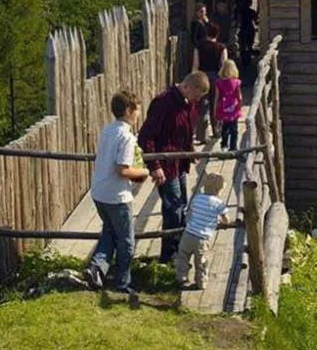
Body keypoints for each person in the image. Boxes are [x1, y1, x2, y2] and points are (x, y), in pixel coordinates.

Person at [138, 71, 210, 264]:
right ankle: (169, 256)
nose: (197, 100)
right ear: (188, 87)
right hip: (165, 163)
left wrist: (190, 150)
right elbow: (146, 136)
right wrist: (155, 165)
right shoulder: (164, 102)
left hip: (180, 162)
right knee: (173, 208)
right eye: (196, 95)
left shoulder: (188, 103)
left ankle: (179, 249)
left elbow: (186, 130)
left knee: (181, 206)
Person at [84, 91, 150, 294]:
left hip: (99, 192)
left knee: (110, 233)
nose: (138, 114)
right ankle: (122, 282)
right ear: (128, 111)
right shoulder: (126, 137)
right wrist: (144, 172)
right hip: (117, 196)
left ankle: (97, 268)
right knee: (126, 241)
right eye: (137, 110)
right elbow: (123, 169)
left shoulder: (108, 130)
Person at [175, 173, 229, 290]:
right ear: (219, 190)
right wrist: (222, 221)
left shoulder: (197, 198)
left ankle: (182, 278)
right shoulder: (219, 204)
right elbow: (226, 219)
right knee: (201, 262)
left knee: (183, 258)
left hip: (188, 234)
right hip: (202, 238)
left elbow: (192, 211)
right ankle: (201, 282)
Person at [192, 23, 227, 143]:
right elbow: (223, 65)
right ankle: (217, 130)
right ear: (217, 34)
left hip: (203, 77)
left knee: (203, 106)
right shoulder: (221, 47)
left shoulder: (198, 47)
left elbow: (195, 65)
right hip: (216, 78)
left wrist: (194, 79)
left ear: (206, 33)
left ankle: (202, 135)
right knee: (217, 104)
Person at [215, 59, 243, 151]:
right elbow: (239, 97)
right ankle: (233, 146)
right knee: (234, 128)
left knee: (225, 127)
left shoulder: (219, 83)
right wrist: (240, 106)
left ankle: (224, 145)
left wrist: (215, 109)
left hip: (223, 107)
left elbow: (217, 97)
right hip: (234, 108)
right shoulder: (237, 82)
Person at [237, 0, 258, 68]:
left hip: (243, 29)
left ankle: (243, 62)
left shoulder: (240, 11)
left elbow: (238, 21)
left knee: (242, 46)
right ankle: (248, 61)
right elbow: (256, 21)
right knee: (249, 46)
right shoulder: (252, 11)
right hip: (249, 29)